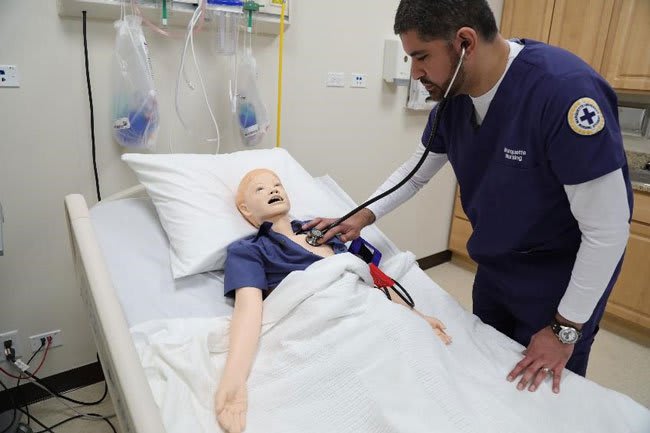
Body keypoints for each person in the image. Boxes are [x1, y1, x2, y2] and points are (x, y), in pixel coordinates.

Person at [304, 0, 632, 396]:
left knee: (543, 397)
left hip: (558, 286)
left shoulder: (563, 93)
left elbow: (608, 231)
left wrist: (565, 329)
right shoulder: (454, 97)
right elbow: (415, 172)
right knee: (486, 378)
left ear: (464, 42)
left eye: (421, 56)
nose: (416, 72)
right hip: (495, 270)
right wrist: (359, 216)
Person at [215, 168, 451, 433]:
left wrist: (417, 316)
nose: (273, 189)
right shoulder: (248, 250)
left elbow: (367, 277)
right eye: (260, 188)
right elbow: (249, 311)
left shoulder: (323, 232)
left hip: (369, 309)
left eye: (277, 184)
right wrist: (234, 380)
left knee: (424, 373)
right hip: (325, 322)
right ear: (246, 210)